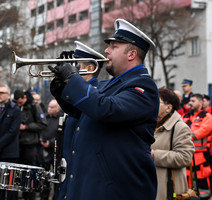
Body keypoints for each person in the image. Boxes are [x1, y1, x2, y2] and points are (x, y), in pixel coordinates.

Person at [49, 18, 159, 199]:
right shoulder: (107, 85)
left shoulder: (143, 86)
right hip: (94, 186)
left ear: (131, 54)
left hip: (118, 190)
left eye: (114, 47)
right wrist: (61, 83)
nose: (106, 51)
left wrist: (73, 78)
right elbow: (78, 110)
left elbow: (106, 109)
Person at [51, 41, 106, 199]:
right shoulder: (75, 92)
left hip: (82, 173)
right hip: (68, 169)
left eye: (75, 64)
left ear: (89, 68)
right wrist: (60, 83)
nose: (69, 67)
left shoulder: (96, 93)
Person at [151, 88, 194, 200]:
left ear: (168, 108)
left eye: (156, 100)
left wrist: (154, 155)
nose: (151, 103)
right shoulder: (150, 124)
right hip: (150, 185)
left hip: (169, 190)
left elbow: (185, 157)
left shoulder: (179, 127)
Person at [13, 89, 47, 200]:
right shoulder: (17, 107)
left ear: (24, 97)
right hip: (18, 145)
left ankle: (30, 196)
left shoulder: (34, 107)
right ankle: (23, 194)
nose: (18, 104)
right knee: (20, 174)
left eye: (20, 102)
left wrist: (27, 127)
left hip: (30, 145)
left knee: (30, 174)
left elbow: (43, 124)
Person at [182, 94, 212, 199]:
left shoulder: (207, 117)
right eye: (190, 100)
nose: (190, 102)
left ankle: (204, 196)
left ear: (200, 103)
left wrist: (186, 137)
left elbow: (203, 131)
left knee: (201, 176)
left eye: (193, 101)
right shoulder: (185, 116)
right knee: (186, 175)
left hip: (201, 155)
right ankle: (190, 195)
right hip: (187, 153)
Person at [38, 99, 62, 200]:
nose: (49, 109)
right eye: (49, 107)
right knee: (44, 177)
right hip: (44, 151)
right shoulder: (44, 117)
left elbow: (60, 135)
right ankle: (44, 196)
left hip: (56, 152)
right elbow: (39, 129)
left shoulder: (61, 118)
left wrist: (50, 143)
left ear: (58, 109)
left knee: (57, 177)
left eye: (52, 107)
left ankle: (56, 196)